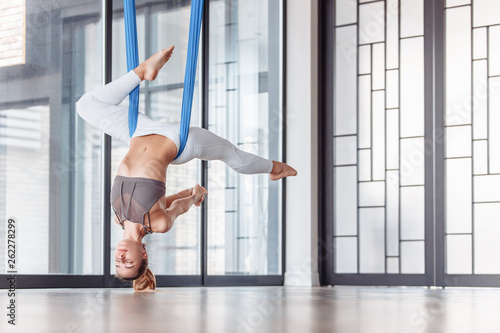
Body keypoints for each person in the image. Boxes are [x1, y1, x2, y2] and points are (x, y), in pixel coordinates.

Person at [76, 45, 297, 291]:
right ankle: (274, 168)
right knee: (232, 156)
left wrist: (185, 194)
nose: (121, 257)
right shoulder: (158, 224)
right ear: (143, 254)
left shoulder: (118, 217)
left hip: (138, 131)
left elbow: (163, 199)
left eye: (117, 262)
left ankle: (142, 72)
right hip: (178, 142)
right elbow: (177, 206)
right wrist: (194, 196)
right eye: (128, 262)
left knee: (85, 106)